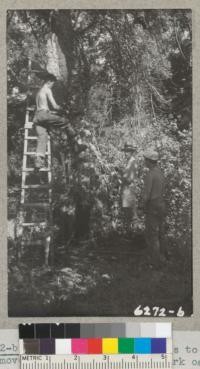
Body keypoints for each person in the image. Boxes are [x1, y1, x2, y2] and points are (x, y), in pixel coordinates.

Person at [33, 72, 75, 168]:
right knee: (65, 121)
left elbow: (42, 108)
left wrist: (51, 113)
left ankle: (38, 161)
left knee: (42, 137)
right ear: (49, 82)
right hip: (44, 115)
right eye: (52, 84)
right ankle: (74, 138)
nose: (52, 86)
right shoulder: (47, 89)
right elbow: (55, 106)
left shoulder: (39, 92)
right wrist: (64, 109)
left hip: (37, 118)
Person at [139, 149, 166, 267]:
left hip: (153, 206)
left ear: (149, 161)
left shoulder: (150, 175)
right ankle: (164, 256)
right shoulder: (160, 173)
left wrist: (141, 206)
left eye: (145, 160)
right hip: (161, 205)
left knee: (152, 234)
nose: (144, 162)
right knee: (161, 232)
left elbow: (146, 194)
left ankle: (155, 262)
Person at [121, 143, 138, 234]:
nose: (125, 153)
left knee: (131, 211)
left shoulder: (132, 161)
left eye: (127, 151)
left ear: (131, 152)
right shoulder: (129, 161)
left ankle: (134, 232)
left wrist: (120, 175)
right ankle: (129, 232)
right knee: (127, 211)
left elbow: (129, 179)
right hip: (127, 189)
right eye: (125, 151)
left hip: (129, 189)